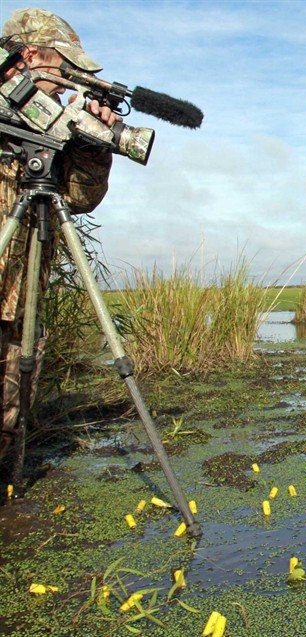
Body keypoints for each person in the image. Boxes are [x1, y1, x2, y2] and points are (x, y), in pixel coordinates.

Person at [0, 8, 116, 467]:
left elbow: (79, 198)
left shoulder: (43, 130)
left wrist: (92, 143)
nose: (70, 83)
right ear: (30, 55)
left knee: (9, 423)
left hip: (21, 304)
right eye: (63, 69)